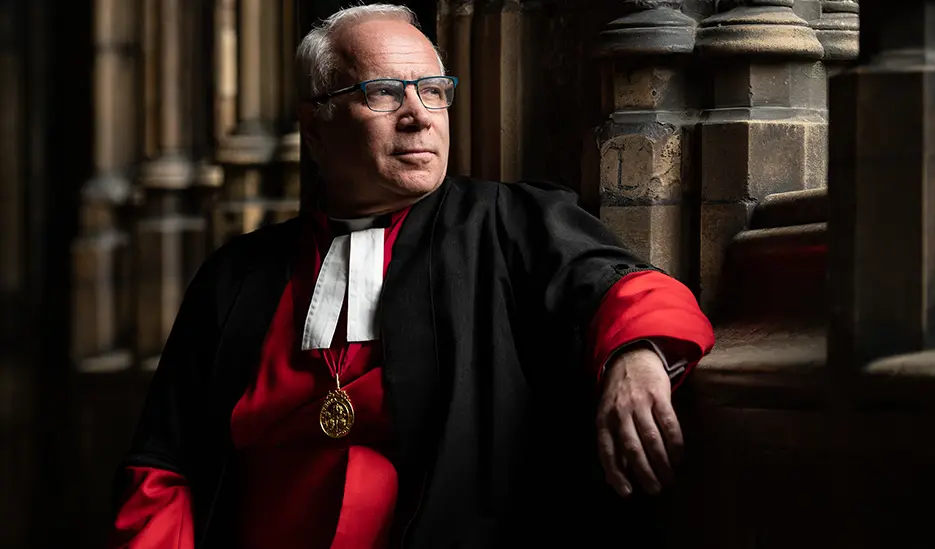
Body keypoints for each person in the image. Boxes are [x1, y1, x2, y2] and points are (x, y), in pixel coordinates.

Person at [108, 4, 714, 549]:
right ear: (315, 125)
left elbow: (625, 286)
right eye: (383, 93)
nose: (419, 118)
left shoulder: (510, 222)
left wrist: (638, 355)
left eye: (434, 91)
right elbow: (165, 467)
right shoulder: (234, 276)